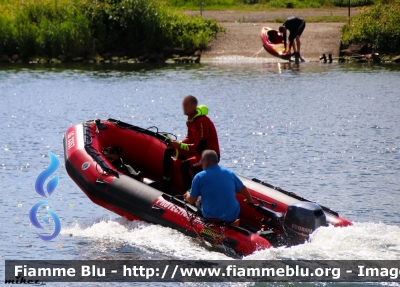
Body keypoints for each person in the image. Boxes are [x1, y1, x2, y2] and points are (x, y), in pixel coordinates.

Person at [163, 95, 220, 192]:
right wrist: (177, 143)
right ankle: (166, 183)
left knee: (184, 166)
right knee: (168, 151)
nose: (183, 108)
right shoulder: (190, 119)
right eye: (183, 105)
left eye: (186, 105)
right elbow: (189, 138)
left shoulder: (202, 121)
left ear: (193, 106)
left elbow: (201, 147)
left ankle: (189, 195)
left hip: (209, 156)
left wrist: (180, 145)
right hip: (197, 152)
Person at [183, 150, 254, 223]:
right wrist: (249, 199)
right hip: (232, 216)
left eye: (202, 160)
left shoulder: (199, 177)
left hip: (212, 217)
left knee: (199, 201)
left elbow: (192, 200)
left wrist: (187, 195)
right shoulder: (229, 173)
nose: (201, 163)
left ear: (206, 161)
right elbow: (243, 188)